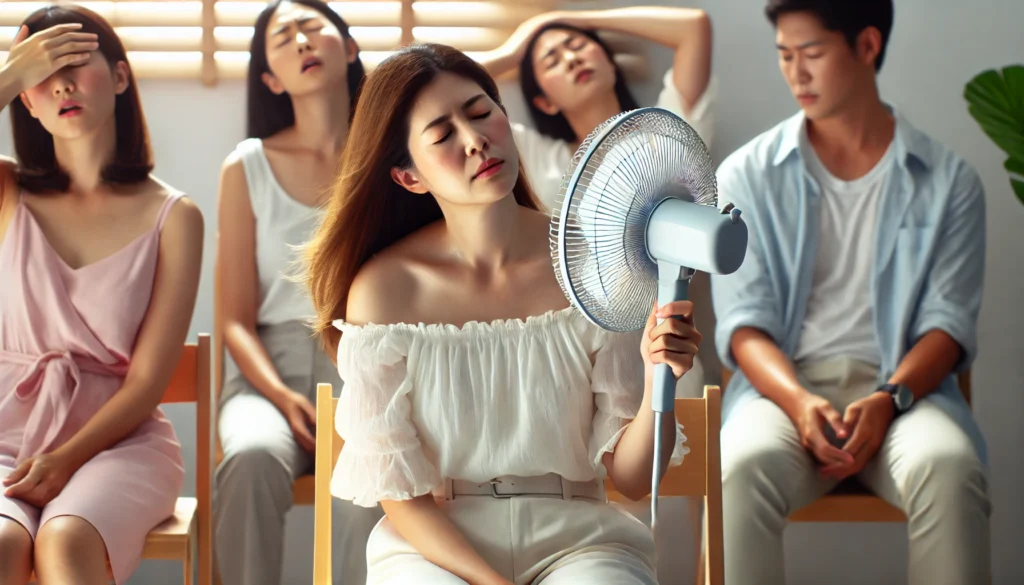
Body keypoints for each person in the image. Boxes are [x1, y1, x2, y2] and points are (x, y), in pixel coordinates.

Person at [303, 43, 699, 585]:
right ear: (409, 177)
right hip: (435, 549)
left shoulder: (590, 265)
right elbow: (403, 497)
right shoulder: (383, 289)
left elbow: (630, 479)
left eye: (481, 111)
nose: (474, 141)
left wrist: (660, 379)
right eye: (442, 136)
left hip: (582, 543)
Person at [709, 1, 991, 584]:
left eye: (812, 53)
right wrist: (800, 403)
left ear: (866, 45)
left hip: (906, 394)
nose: (796, 74)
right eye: (784, 56)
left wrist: (889, 400)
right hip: (783, 394)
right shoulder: (745, 176)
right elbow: (744, 321)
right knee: (743, 463)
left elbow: (949, 322)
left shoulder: (949, 181)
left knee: (949, 464)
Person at [0, 5, 204, 585]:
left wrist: (66, 459)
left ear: (118, 78)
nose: (61, 82)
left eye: (76, 62)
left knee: (65, 540)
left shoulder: (176, 216)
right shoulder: (7, 191)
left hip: (119, 443)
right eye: (42, 72)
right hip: (4, 435)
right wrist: (11, 74)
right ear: (27, 102)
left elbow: (146, 383)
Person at [212, 1, 381, 584]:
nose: (302, 41)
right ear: (269, 77)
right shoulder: (246, 166)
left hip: (368, 363)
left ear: (350, 48)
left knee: (375, 474)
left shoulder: (391, 159)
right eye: (282, 38)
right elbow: (233, 319)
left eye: (314, 27)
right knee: (251, 456)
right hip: (268, 374)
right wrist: (283, 399)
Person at [480, 6, 715, 210]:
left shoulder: (668, 130)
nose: (572, 58)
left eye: (578, 44)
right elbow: (446, 85)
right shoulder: (538, 156)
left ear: (611, 64)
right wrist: (511, 54)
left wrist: (574, 20)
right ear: (545, 103)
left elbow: (693, 27)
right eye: (552, 61)